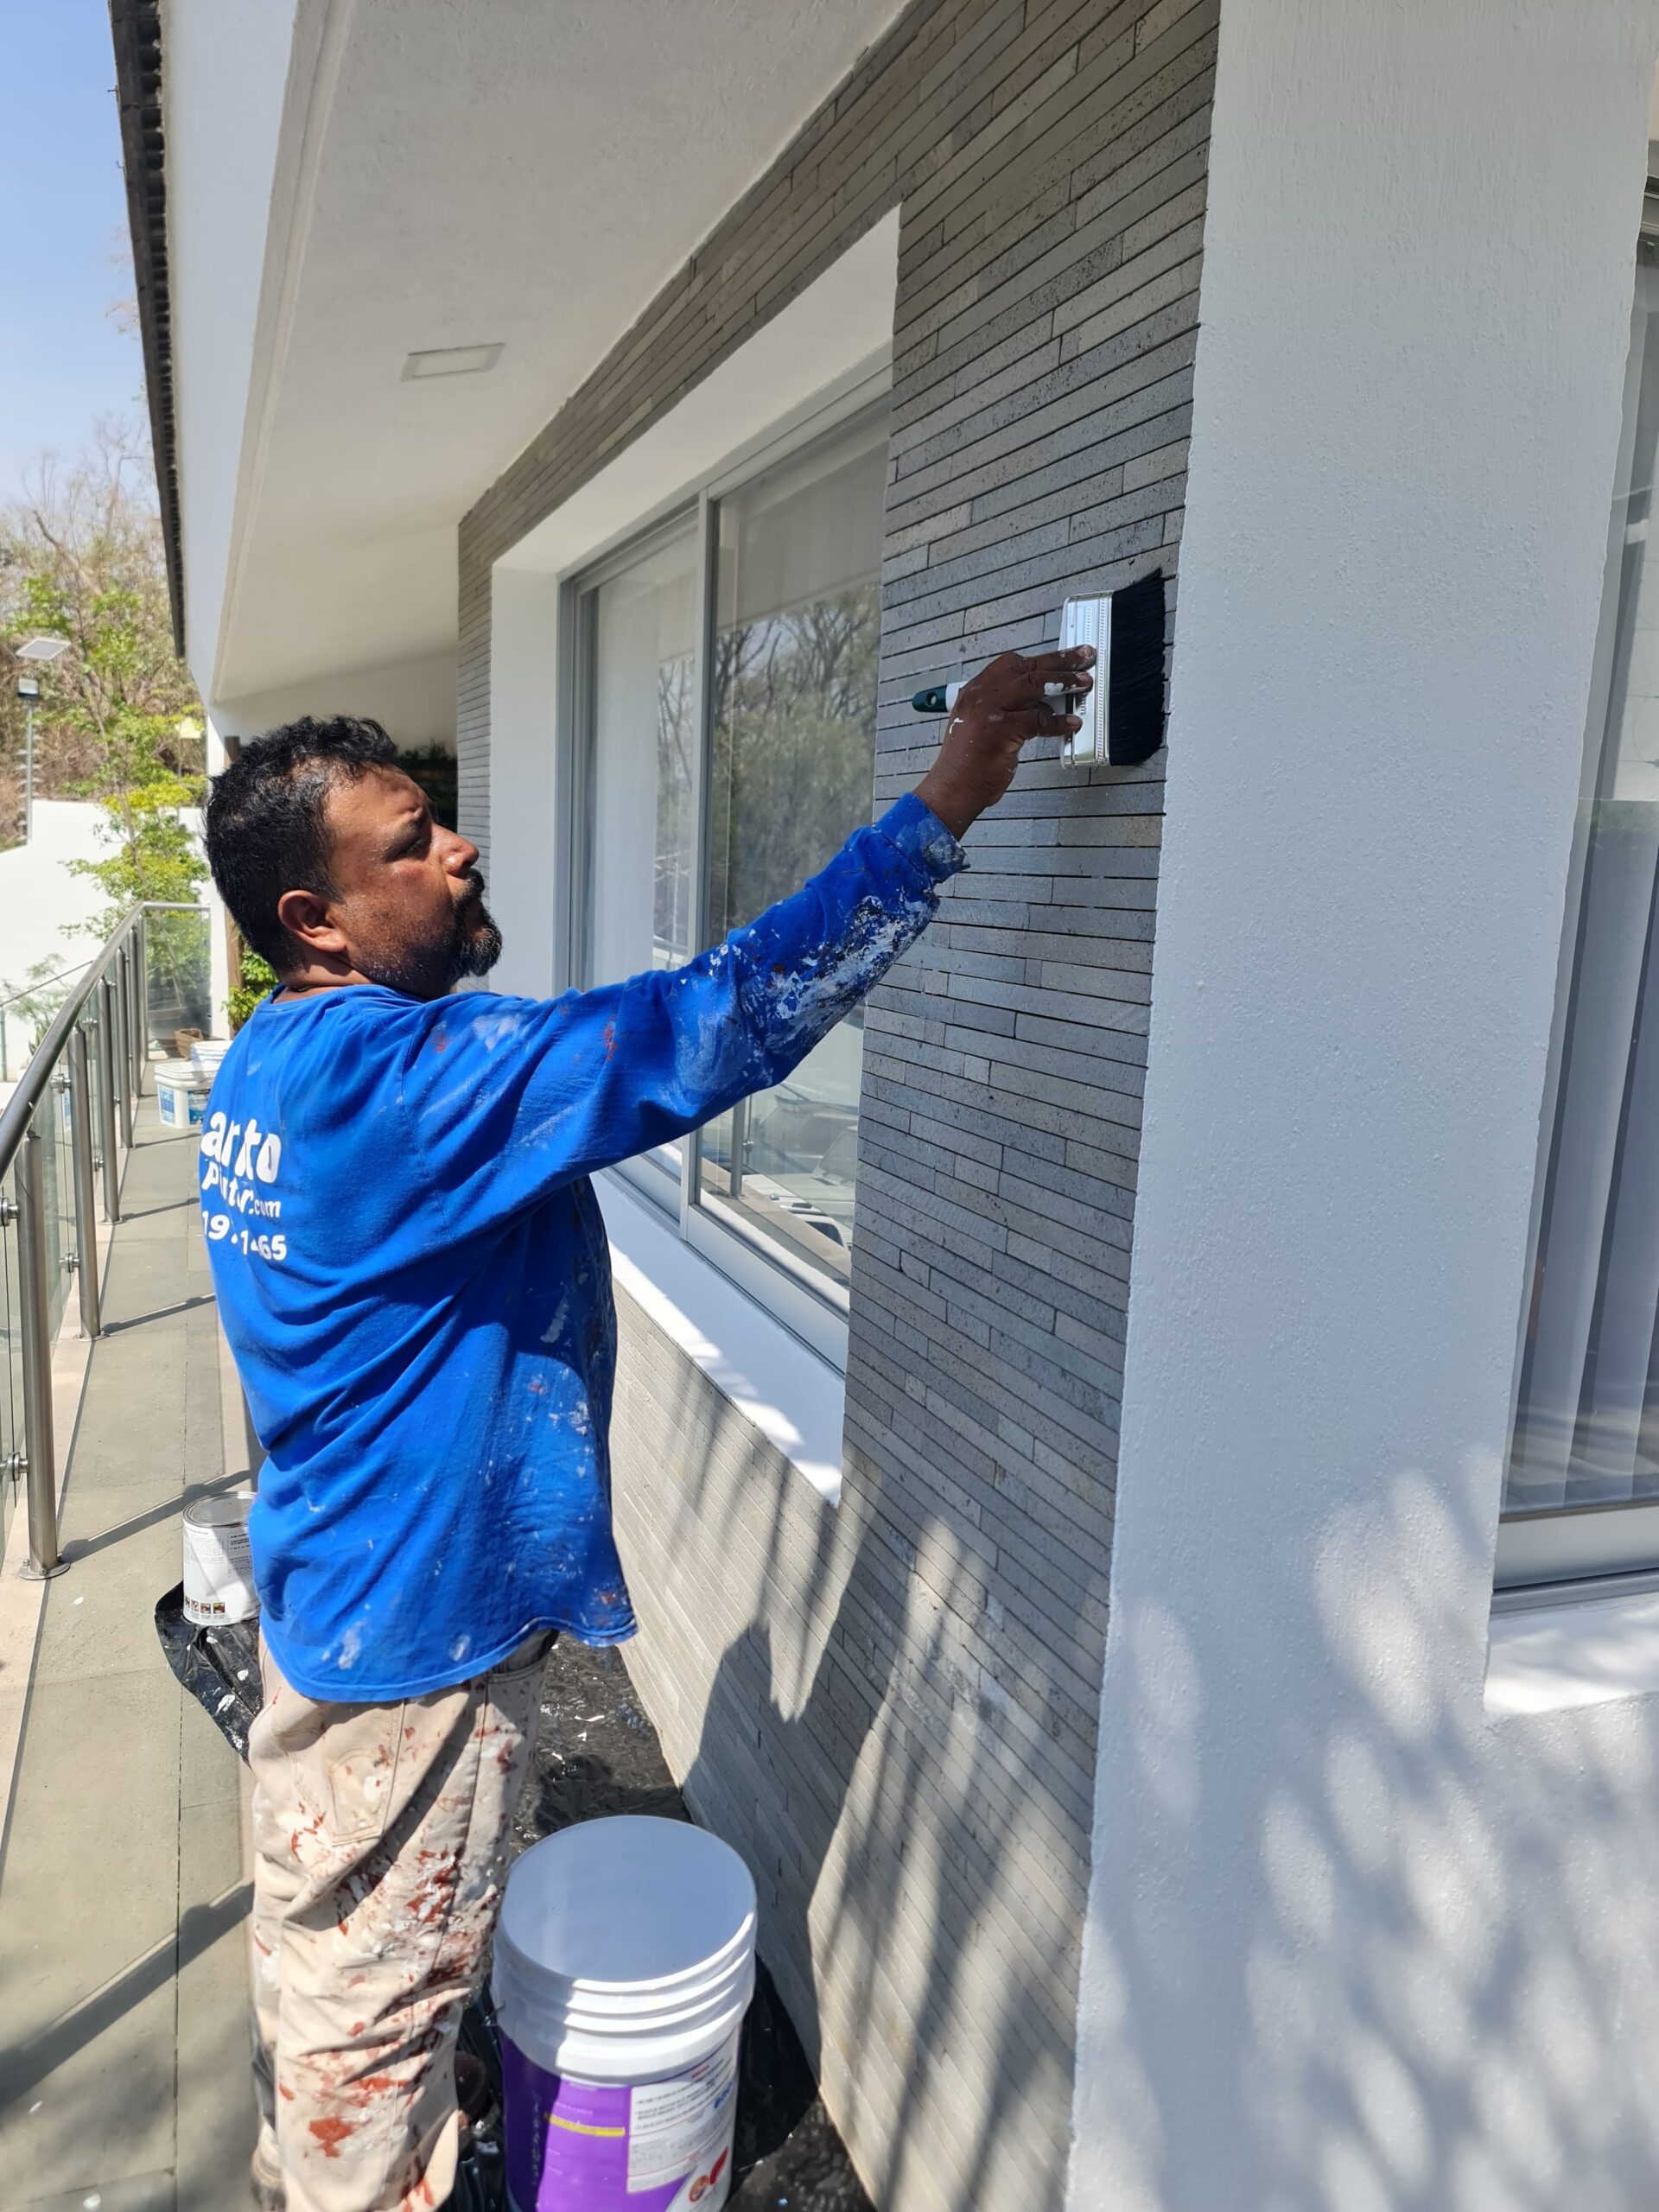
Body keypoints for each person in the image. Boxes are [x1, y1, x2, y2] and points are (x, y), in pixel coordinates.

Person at [200, 644, 1094, 2212]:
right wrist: (945, 801)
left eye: (438, 818)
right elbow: (706, 1023)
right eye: (409, 844)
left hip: (336, 1588)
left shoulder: (271, 1058)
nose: (459, 845)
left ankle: (353, 2134)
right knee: (376, 2011)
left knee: (331, 1939)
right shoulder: (400, 1081)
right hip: (412, 1638)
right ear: (315, 919)